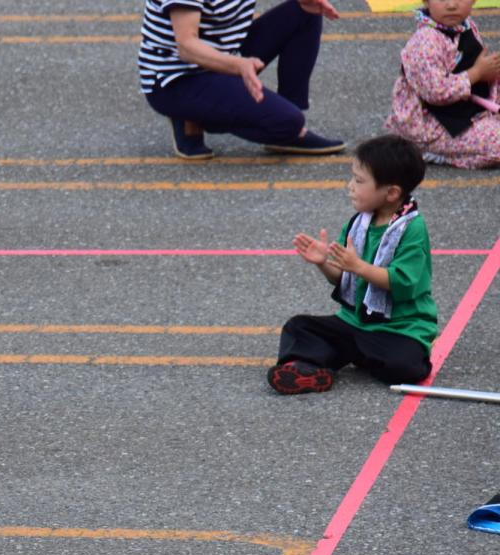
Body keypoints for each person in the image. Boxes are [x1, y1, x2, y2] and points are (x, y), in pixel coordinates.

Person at [269, 135, 437, 395]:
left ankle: (345, 355)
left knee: (404, 366)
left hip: (398, 327)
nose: (350, 186)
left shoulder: (412, 228)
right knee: (298, 326)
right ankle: (308, 370)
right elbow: (342, 277)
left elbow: (403, 283)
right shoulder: (359, 222)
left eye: (359, 181)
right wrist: (323, 262)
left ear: (391, 192)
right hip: (354, 322)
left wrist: (358, 266)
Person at [138, 0, 346, 159]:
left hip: (225, 52)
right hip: (178, 79)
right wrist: (238, 66)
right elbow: (186, 47)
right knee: (287, 123)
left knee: (306, 10)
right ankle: (189, 114)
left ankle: (288, 115)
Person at [384, 0, 500, 168]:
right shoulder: (426, 41)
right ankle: (431, 152)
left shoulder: (466, 26)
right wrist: (477, 73)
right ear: (426, 1)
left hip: (461, 109)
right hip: (428, 124)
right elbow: (435, 92)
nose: (451, 5)